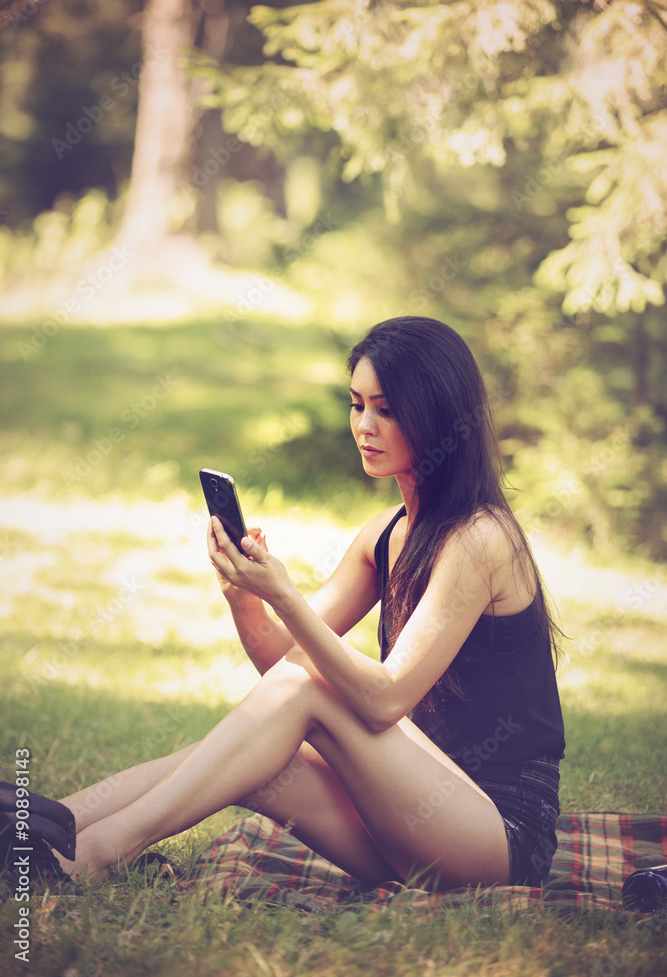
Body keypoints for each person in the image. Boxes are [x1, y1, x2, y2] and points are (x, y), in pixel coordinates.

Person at [52, 315, 565, 890]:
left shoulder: (480, 538)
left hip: (497, 836)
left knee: (301, 693)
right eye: (356, 404)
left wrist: (287, 597)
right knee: (249, 756)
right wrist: (245, 599)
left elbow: (383, 700)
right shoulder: (384, 535)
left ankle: (95, 853)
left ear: (438, 415)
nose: (364, 425)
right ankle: (49, 827)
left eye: (387, 410)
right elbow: (283, 673)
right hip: (410, 817)